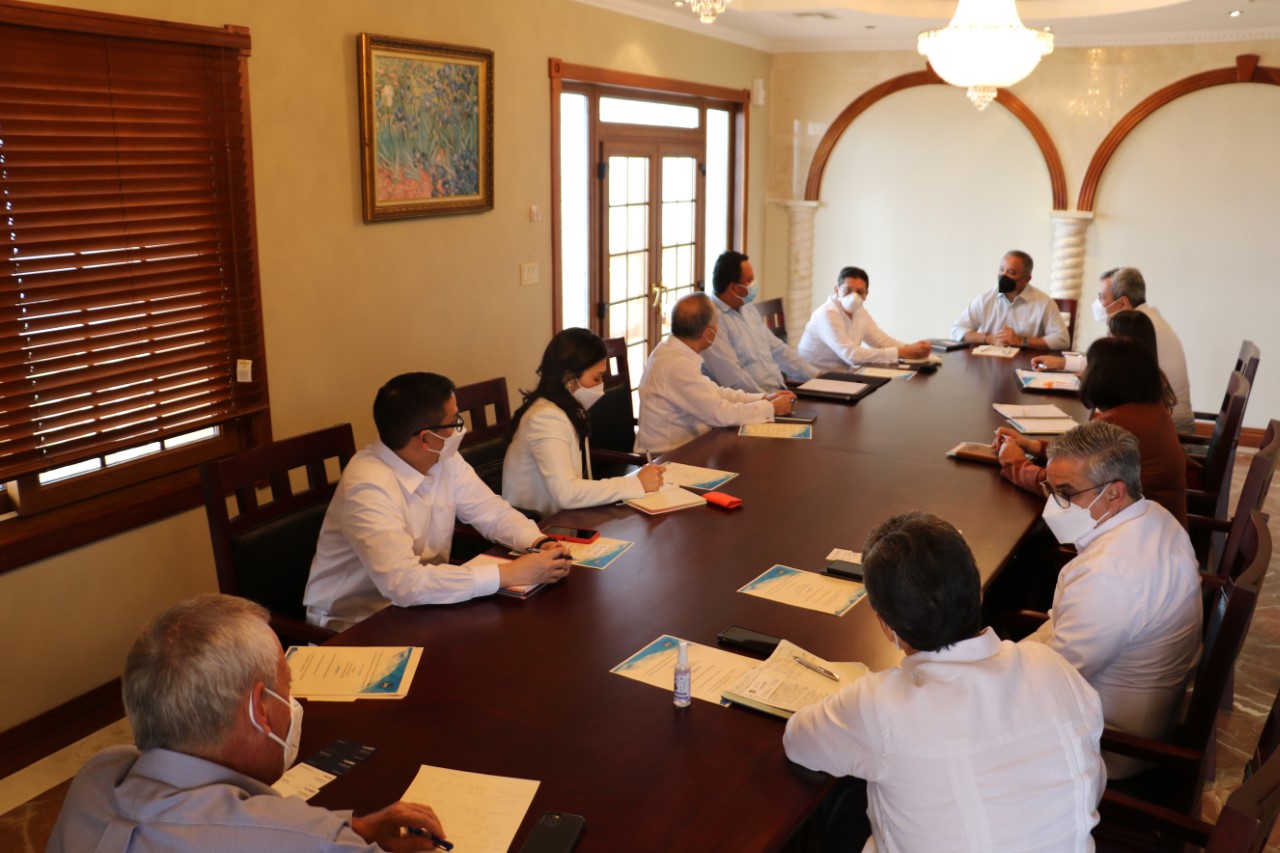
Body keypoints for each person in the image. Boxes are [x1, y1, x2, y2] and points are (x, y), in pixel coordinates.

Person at [783, 512, 1105, 852]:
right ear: (978, 594)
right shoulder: (1053, 666)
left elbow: (799, 742)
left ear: (886, 627)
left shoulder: (879, 704)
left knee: (839, 789)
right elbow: (1090, 783)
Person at [48, 594, 448, 852]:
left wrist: (355, 827)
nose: (292, 704)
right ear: (261, 711)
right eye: (287, 689)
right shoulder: (318, 844)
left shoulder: (95, 776)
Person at [305, 372, 572, 631]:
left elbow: (492, 512)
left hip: (425, 605)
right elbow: (404, 584)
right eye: (455, 421)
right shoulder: (367, 486)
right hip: (357, 625)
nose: (460, 429)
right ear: (425, 438)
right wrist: (510, 573)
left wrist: (538, 542)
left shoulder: (443, 457)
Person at [1025, 420, 1201, 778]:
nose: (1054, 505)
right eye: (1051, 489)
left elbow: (1055, 679)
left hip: (1110, 743)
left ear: (1114, 493)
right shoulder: (1154, 516)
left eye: (1066, 493)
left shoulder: (1108, 574)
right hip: (1137, 709)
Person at [994, 336, 1188, 527]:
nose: (1082, 375)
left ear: (1103, 378)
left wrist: (1014, 463)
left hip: (1130, 535)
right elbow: (1084, 458)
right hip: (1161, 530)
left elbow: (1059, 487)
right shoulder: (1151, 410)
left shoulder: (1115, 425)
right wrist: (1034, 446)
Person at [503, 328, 665, 517]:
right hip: (538, 526)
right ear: (568, 377)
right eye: (596, 378)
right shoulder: (545, 418)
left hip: (564, 518)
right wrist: (636, 484)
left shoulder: (565, 410)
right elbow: (567, 493)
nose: (601, 387)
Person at [1031, 267, 1193, 433]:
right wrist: (1063, 363)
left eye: (1102, 298)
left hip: (1166, 429)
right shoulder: (1143, 320)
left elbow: (1108, 376)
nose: (1099, 304)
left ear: (1122, 303)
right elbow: (1107, 364)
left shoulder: (1140, 328)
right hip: (1156, 420)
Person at [637, 292, 796, 453]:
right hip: (665, 458)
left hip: (691, 449)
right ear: (708, 333)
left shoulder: (671, 350)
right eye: (716, 323)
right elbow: (720, 414)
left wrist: (763, 398)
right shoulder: (677, 365)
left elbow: (715, 392)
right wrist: (771, 408)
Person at [700, 250, 819, 392]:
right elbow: (733, 379)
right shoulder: (712, 321)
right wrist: (768, 400)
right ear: (733, 288)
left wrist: (817, 376)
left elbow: (777, 349)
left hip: (778, 390)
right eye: (749, 280)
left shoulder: (747, 308)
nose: (754, 284)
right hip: (753, 400)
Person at [796, 266, 931, 369]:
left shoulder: (860, 312)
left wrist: (912, 348)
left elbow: (880, 340)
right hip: (812, 378)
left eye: (860, 292)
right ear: (837, 290)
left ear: (866, 294)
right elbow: (851, 355)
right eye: (848, 290)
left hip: (840, 375)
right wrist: (903, 352)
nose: (854, 297)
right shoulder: (827, 313)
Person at [951, 250, 1070, 349]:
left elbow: (1062, 340)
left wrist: (1022, 341)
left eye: (1011, 272)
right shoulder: (985, 299)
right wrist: (988, 338)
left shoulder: (1044, 302)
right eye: (1001, 270)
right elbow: (957, 330)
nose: (1003, 275)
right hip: (989, 362)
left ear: (1026, 279)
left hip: (1027, 362)